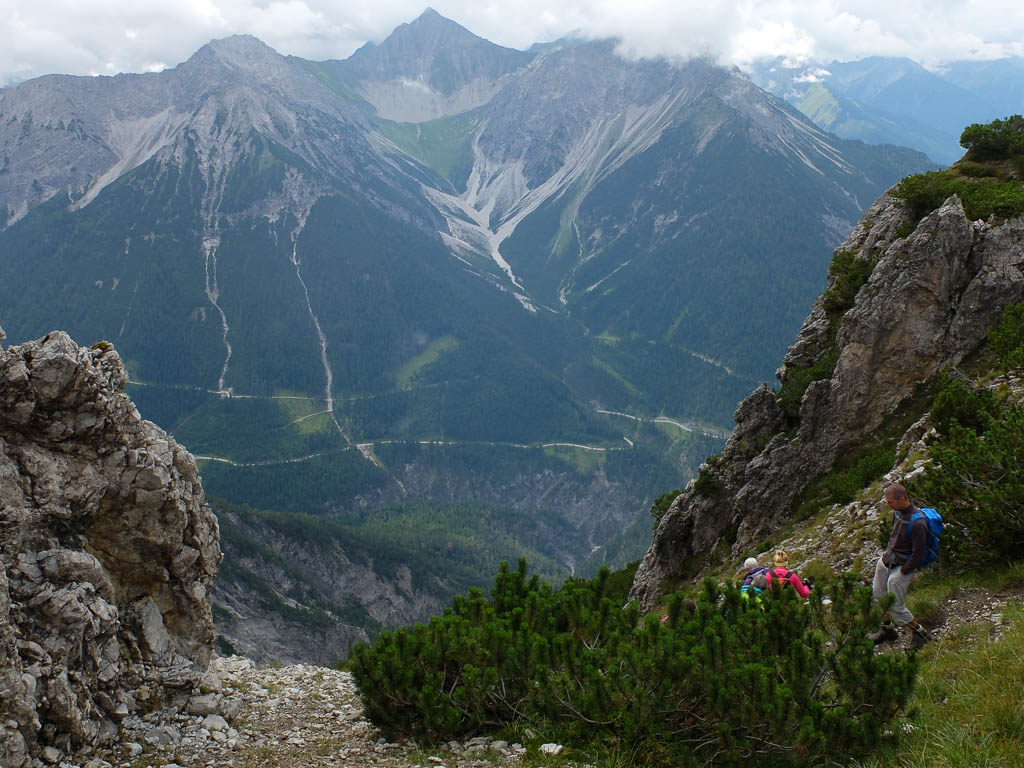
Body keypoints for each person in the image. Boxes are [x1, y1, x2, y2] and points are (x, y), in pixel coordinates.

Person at [871, 483, 935, 650]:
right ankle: (887, 630)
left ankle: (921, 634)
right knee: (878, 598)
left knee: (895, 606)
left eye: (891, 502)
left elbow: (918, 553)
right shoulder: (897, 513)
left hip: (901, 567)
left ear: (902, 499)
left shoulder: (918, 522)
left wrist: (904, 570)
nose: (888, 505)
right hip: (886, 561)